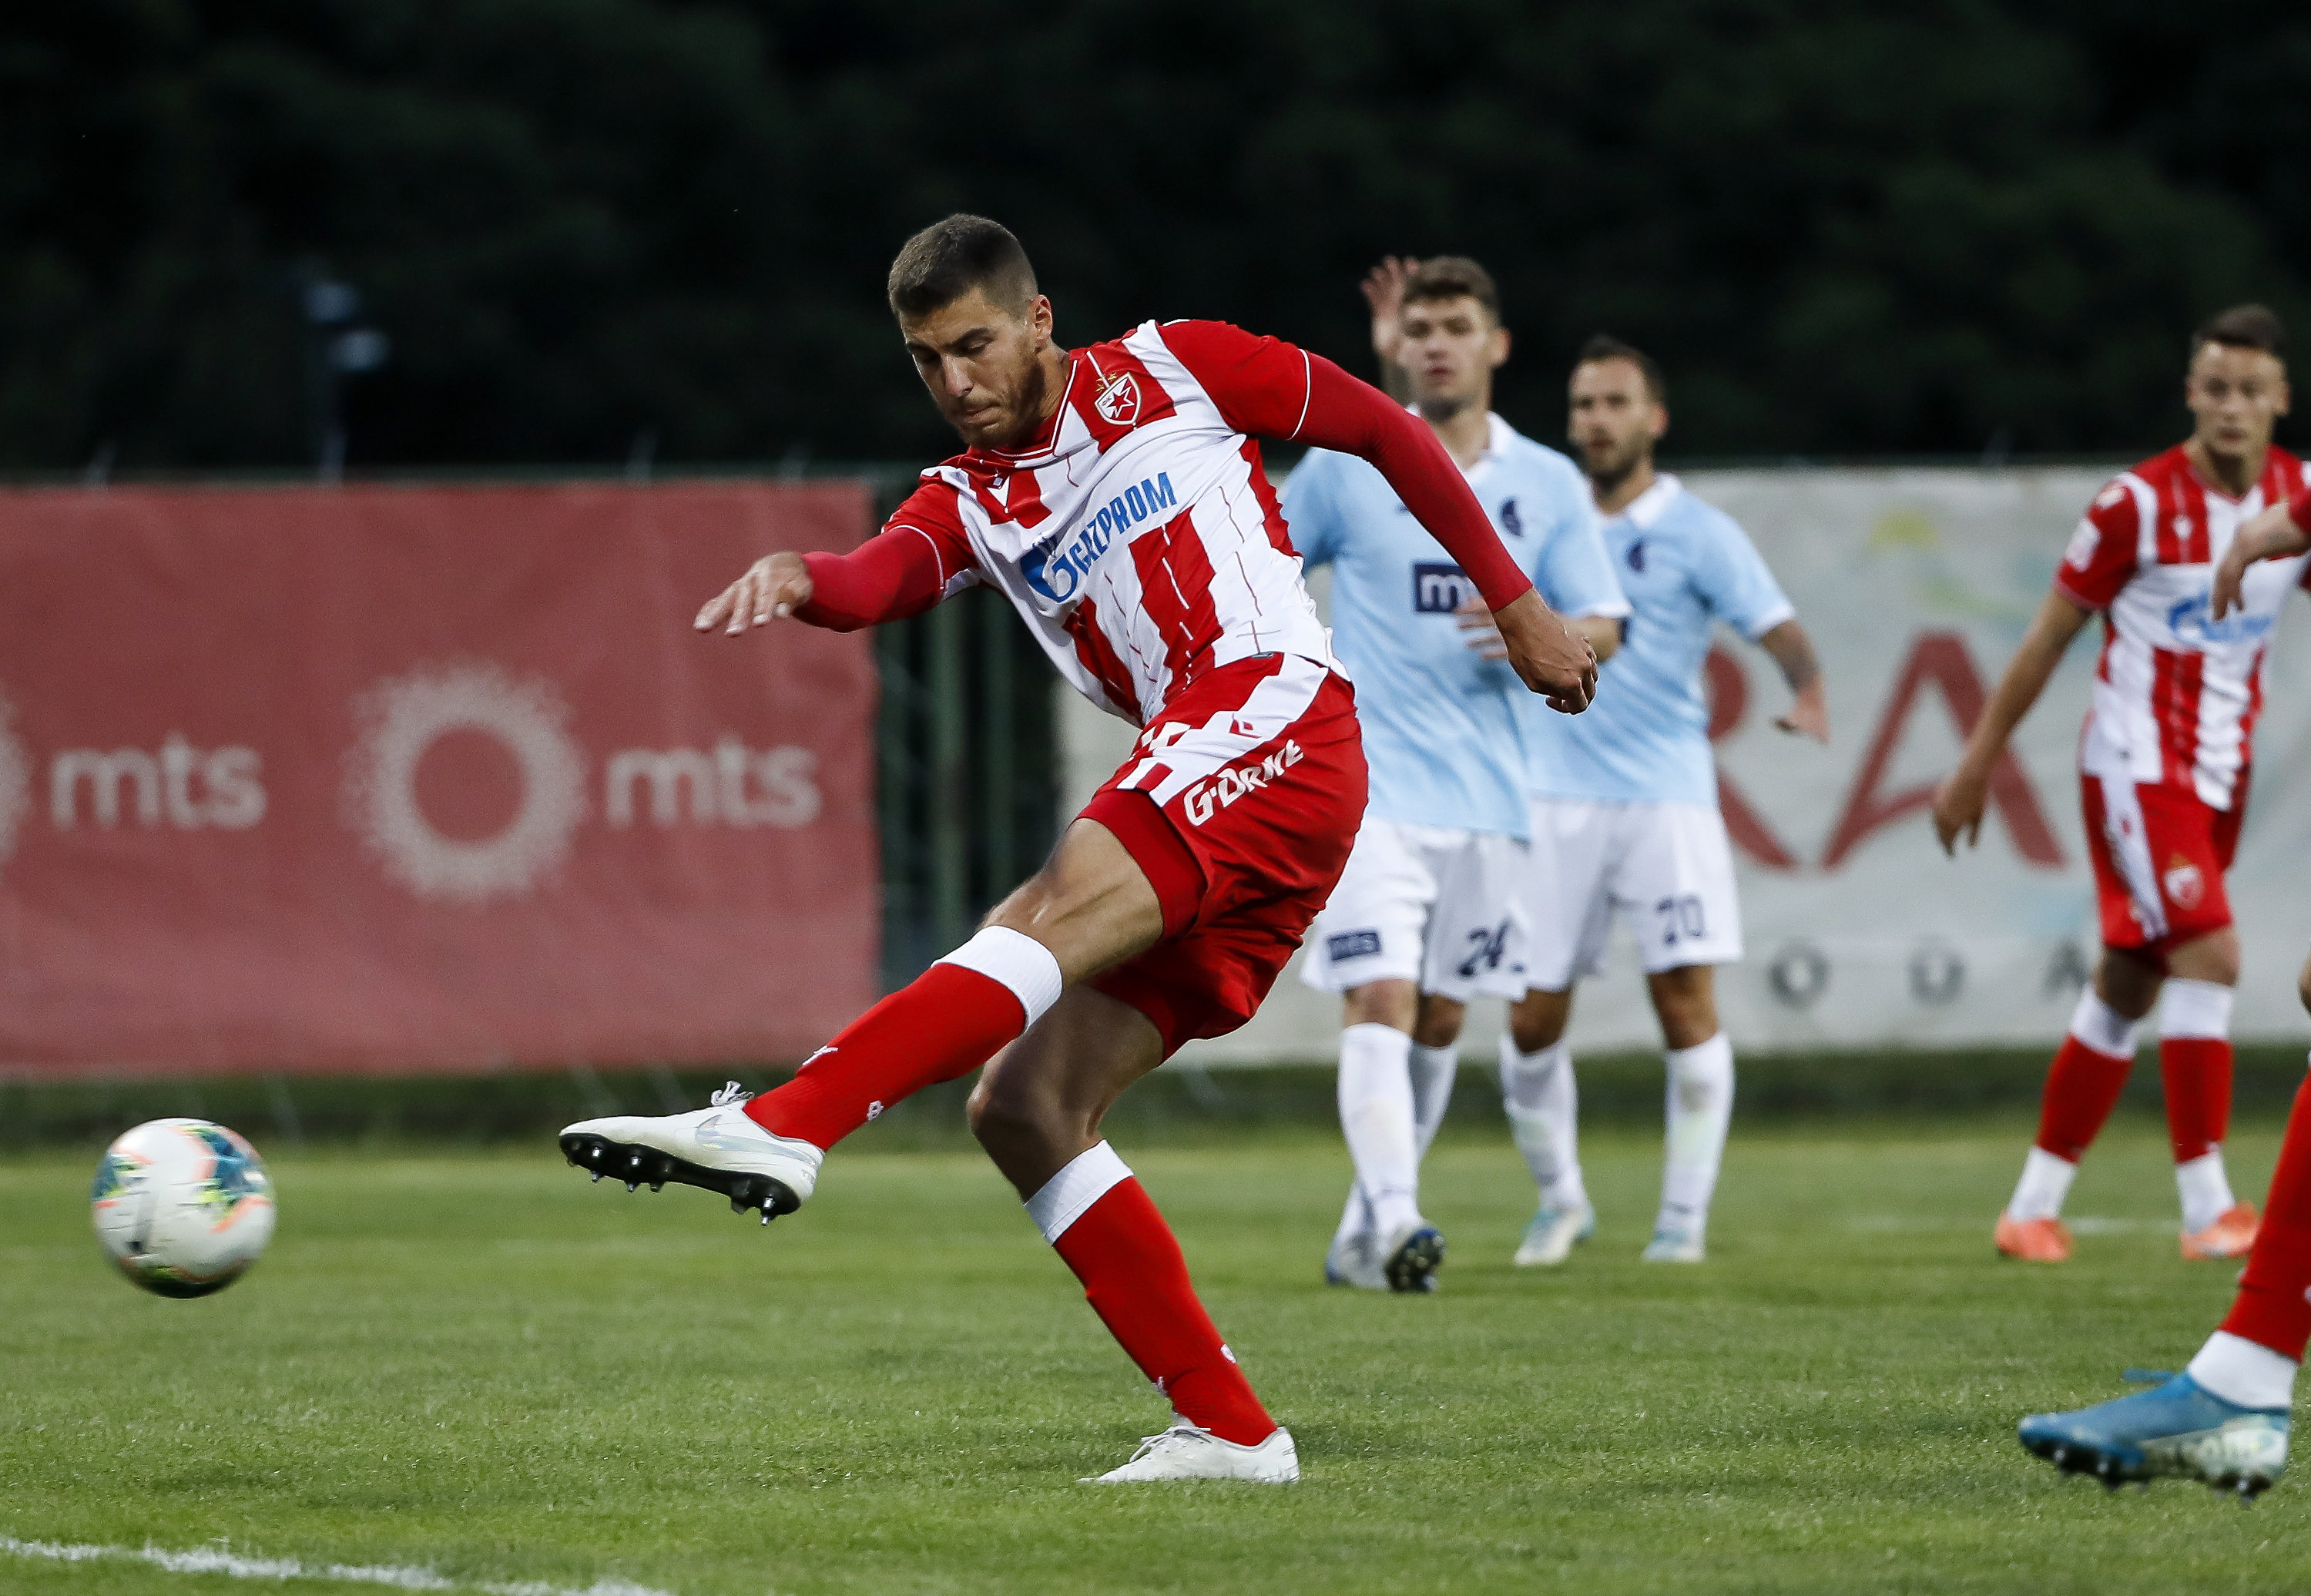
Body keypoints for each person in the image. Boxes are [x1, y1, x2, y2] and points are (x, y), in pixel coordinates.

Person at [555, 215, 1599, 1485]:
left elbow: (1384, 428)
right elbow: (881, 577)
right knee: (1026, 1106)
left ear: (1039, 320)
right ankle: (1231, 1431)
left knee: (1045, 905)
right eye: (926, 361)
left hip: (1274, 718)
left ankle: (787, 1118)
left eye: (974, 346)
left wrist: (1518, 599)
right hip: (1236, 792)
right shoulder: (970, 500)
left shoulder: (1180, 366)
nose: (955, 382)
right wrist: (804, 572)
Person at [1932, 303, 2304, 1266]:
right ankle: (2208, 1207)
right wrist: (1976, 763)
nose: (2230, 408)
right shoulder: (2133, 504)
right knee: (2211, 954)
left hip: (2222, 770)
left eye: (2250, 391)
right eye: (2214, 387)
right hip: (2138, 766)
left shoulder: (2294, 498)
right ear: (2190, 392)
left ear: (2280, 401)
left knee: (2129, 981)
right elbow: (2048, 638)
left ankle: (2032, 1206)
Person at [1286, 257, 1627, 1293]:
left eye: (1457, 325)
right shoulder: (1350, 466)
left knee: (1440, 1019)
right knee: (1381, 998)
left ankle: (1362, 1233)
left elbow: (1603, 618)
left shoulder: (1549, 484)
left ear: (1496, 344)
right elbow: (1262, 564)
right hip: (1372, 794)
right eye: (1421, 326)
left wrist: (1552, 630)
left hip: (1493, 804)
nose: (1437, 341)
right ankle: (1398, 1223)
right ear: (1402, 343)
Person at [1490, 337, 1830, 1266]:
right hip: (1551, 795)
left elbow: (1780, 627)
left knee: (1685, 1004)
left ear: (1654, 418)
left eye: (1614, 402)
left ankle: (1683, 1218)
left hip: (1665, 798)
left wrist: (1806, 688)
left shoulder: (1699, 530)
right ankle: (1562, 1201)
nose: (1595, 419)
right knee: (1528, 1017)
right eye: (1583, 403)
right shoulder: (1544, 512)